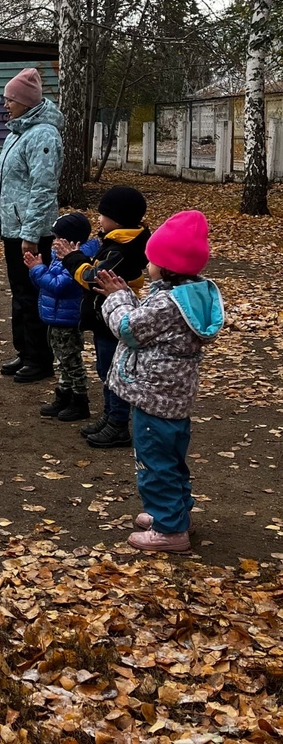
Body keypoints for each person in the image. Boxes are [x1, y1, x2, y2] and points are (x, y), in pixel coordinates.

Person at [95, 210, 223, 553]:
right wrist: (129, 296)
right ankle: (176, 513)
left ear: (167, 266)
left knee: (154, 462)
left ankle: (169, 529)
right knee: (172, 459)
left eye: (151, 260)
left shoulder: (167, 303)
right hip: (174, 398)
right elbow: (150, 323)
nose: (147, 265)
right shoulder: (190, 293)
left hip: (154, 398)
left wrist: (117, 298)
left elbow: (129, 328)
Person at [0, 67, 63, 383]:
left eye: (10, 99)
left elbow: (43, 188)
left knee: (33, 296)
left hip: (33, 234)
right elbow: (12, 181)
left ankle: (40, 360)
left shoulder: (43, 135)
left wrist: (31, 234)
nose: (6, 104)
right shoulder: (18, 133)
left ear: (26, 101)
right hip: (14, 230)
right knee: (21, 295)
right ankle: (25, 352)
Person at [60, 185, 150, 449]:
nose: (98, 219)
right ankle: (110, 417)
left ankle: (118, 424)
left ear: (117, 219)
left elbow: (93, 278)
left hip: (113, 320)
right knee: (106, 371)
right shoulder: (116, 243)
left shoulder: (121, 249)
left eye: (103, 215)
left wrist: (72, 257)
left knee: (114, 372)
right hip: (105, 318)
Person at [25, 212, 100, 422]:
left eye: (59, 238)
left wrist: (38, 270)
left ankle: (80, 400)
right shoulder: (60, 256)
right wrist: (37, 270)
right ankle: (64, 395)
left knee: (71, 361)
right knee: (63, 361)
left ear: (71, 240)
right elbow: (47, 285)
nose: (54, 241)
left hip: (67, 318)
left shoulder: (75, 259)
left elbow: (60, 286)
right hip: (57, 316)